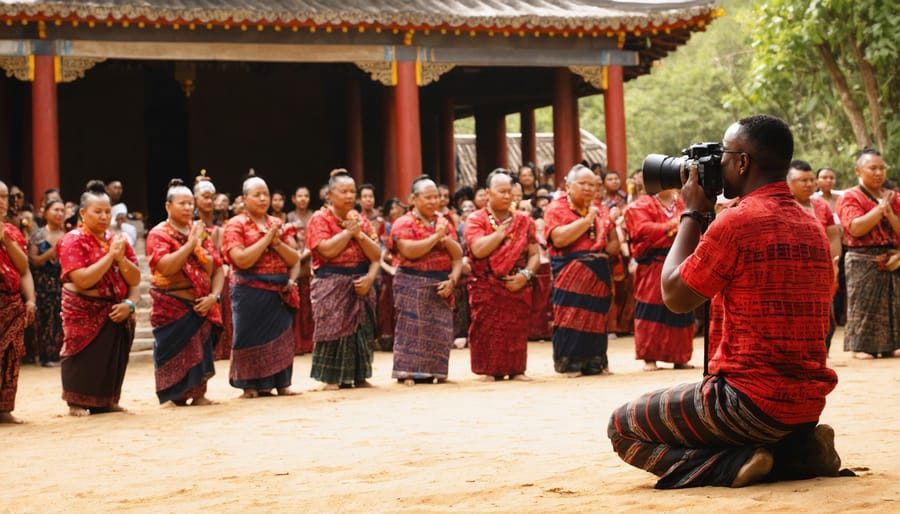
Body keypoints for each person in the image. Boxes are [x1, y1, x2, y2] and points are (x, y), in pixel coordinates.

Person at [608, 114, 841, 489]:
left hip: (746, 403)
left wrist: (690, 214)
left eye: (724, 154)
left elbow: (675, 295)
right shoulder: (809, 224)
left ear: (743, 162)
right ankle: (798, 450)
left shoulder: (736, 222)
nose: (718, 164)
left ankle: (735, 464)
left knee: (623, 426)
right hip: (807, 406)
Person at [57, 180, 141, 417]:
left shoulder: (118, 239)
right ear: (83, 213)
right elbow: (82, 279)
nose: (104, 216)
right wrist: (110, 257)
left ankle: (107, 399)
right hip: (85, 307)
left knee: (112, 357)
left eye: (107, 211)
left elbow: (134, 278)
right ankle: (76, 401)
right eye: (98, 212)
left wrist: (129, 303)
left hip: (115, 307)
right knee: (82, 355)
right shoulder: (72, 240)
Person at [146, 179, 225, 406]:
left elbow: (217, 268)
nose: (188, 208)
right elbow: (166, 266)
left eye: (191, 203)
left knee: (200, 349)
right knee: (170, 350)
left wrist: (214, 297)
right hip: (171, 302)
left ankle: (198, 393)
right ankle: (173, 396)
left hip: (200, 303)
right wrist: (191, 244)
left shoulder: (201, 232)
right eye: (182, 203)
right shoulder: (159, 234)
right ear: (168, 206)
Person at [222, 176, 300, 398]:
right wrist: (266, 241)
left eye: (265, 194)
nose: (263, 198)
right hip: (249, 291)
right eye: (257, 195)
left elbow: (294, 258)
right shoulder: (236, 224)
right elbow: (241, 260)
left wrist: (276, 243)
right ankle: (250, 385)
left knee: (281, 338)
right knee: (248, 336)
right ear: (244, 199)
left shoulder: (277, 223)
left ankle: (282, 383)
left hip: (278, 291)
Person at [306, 171, 381, 390]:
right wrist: (349, 233)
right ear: (330, 194)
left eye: (352, 192)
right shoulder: (319, 219)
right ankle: (331, 378)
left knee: (361, 331)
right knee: (332, 330)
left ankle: (360, 375)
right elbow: (326, 250)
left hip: (360, 280)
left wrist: (369, 278)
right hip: (330, 281)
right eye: (343, 191)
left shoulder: (361, 220)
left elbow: (376, 255)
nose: (349, 196)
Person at [544, 164, 619, 376]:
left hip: (598, 272)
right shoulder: (556, 208)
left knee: (596, 319)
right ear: (568, 186)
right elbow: (558, 238)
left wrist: (603, 244)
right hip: (570, 270)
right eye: (582, 183)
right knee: (570, 316)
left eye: (592, 184)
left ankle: (595, 362)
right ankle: (569, 363)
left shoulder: (601, 209)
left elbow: (613, 244)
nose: (588, 188)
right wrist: (587, 222)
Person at [464, 170, 540, 381]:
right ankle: (487, 369)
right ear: (488, 193)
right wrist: (499, 234)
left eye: (510, 192)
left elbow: (535, 254)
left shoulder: (524, 221)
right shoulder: (475, 219)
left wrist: (526, 275)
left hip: (517, 283)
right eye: (502, 192)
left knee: (516, 328)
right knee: (486, 328)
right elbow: (478, 250)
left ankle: (516, 369)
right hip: (486, 285)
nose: (507, 196)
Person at [391, 176, 463, 386]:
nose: (433, 201)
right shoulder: (403, 223)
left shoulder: (444, 222)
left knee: (439, 330)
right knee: (411, 328)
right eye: (427, 197)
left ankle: (435, 370)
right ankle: (408, 372)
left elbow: (457, 256)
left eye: (436, 197)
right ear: (414, 198)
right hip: (411, 281)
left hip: (440, 282)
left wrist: (453, 280)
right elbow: (410, 251)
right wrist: (435, 237)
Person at [836, 148, 900, 359]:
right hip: (862, 257)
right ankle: (861, 346)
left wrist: (889, 213)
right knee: (863, 305)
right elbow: (855, 228)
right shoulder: (850, 197)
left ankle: (889, 345)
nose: (878, 172)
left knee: (892, 304)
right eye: (872, 168)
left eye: (882, 168)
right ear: (858, 170)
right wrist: (879, 210)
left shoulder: (894, 198)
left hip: (892, 256)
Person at [624, 187, 694, 371]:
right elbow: (641, 230)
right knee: (650, 308)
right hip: (653, 264)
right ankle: (649, 357)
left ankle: (680, 356)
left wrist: (675, 228)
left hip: (682, 261)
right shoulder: (642, 204)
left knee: (680, 307)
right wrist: (673, 227)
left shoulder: (684, 200)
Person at [787, 161, 843, 354]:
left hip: (822, 272)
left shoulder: (822, 206)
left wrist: (834, 262)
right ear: (788, 182)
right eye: (802, 180)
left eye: (811, 180)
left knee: (825, 317)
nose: (809, 184)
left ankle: (820, 354)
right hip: (792, 274)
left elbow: (833, 235)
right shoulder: (782, 205)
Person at [0, 181, 36, 424]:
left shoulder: (11, 232)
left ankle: (3, 408)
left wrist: (30, 300)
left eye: (4, 197)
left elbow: (23, 268)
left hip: (11, 303)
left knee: (9, 358)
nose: (2, 202)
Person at [29, 198, 67, 367]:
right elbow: (33, 261)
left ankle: (60, 353)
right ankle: (45, 355)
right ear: (45, 213)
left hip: (62, 283)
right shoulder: (39, 234)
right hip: (43, 284)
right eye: (55, 210)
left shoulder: (68, 234)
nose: (59, 213)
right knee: (45, 320)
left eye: (62, 210)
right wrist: (52, 251)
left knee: (61, 319)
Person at [286, 185, 315, 355]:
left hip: (311, 263)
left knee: (310, 307)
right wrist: (298, 254)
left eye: (306, 195)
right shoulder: (289, 217)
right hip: (296, 264)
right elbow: (288, 240)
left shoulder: (313, 216)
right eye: (299, 196)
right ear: (294, 199)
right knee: (298, 307)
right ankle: (297, 343)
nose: (303, 199)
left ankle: (311, 342)